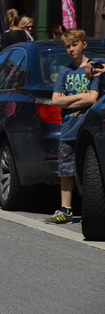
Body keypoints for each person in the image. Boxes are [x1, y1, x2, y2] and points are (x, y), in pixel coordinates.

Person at [44, 28, 100, 224]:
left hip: (88, 127)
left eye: (74, 45)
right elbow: (55, 101)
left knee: (90, 169)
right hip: (68, 128)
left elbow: (93, 98)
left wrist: (67, 100)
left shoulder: (93, 68)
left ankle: (90, 209)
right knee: (66, 170)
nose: (70, 49)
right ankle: (65, 210)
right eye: (67, 46)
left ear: (83, 44)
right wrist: (80, 99)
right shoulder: (64, 72)